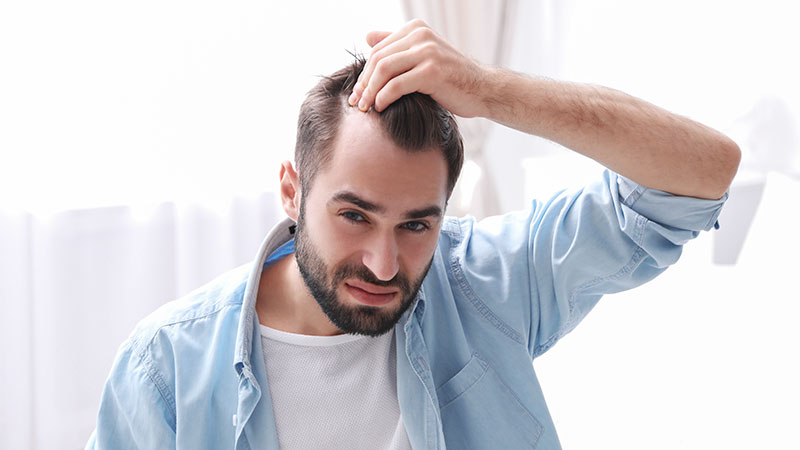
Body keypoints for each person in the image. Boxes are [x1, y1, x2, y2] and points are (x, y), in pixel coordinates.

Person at [86, 19, 740, 450]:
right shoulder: (168, 368)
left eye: (417, 224)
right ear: (292, 190)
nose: (383, 262)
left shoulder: (486, 284)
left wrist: (491, 92)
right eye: (354, 215)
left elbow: (701, 174)